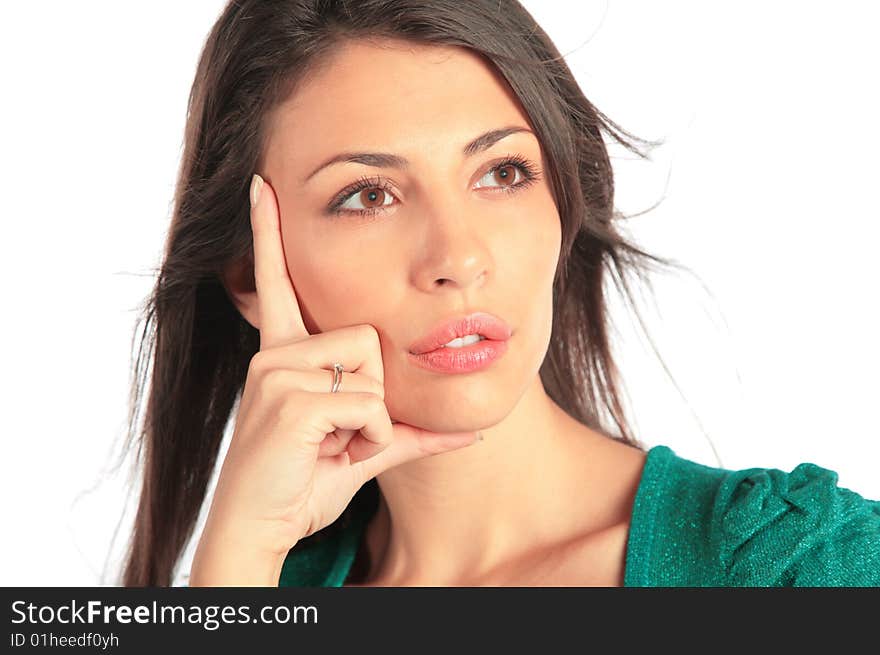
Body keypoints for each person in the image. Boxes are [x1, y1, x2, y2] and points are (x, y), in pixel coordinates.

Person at [119, 0, 880, 587]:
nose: (458, 257)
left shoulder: (795, 569)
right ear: (253, 271)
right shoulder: (260, 586)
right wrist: (238, 557)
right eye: (368, 196)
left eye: (502, 172)